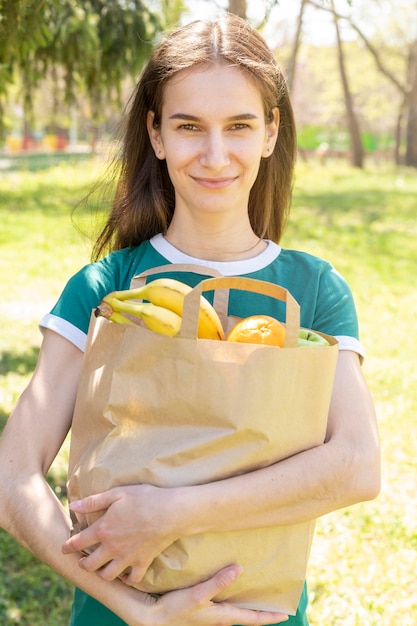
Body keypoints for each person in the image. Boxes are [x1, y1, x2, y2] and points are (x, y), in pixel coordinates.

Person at [0, 12, 380, 626]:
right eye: (188, 126)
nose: (214, 153)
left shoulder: (313, 292)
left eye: (238, 126)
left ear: (270, 132)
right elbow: (11, 479)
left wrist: (173, 513)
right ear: (156, 135)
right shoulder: (108, 289)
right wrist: (140, 611)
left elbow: (357, 465)